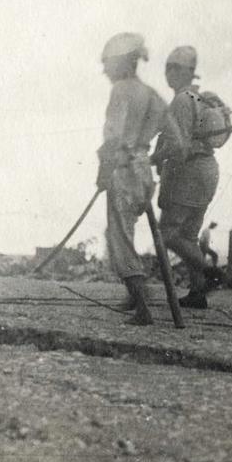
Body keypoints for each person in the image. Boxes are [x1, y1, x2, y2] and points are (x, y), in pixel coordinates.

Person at [96, 32, 176, 327]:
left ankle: (142, 306)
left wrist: (103, 172)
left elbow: (114, 137)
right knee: (124, 231)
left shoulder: (120, 91)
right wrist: (150, 156)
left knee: (118, 237)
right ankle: (135, 298)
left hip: (123, 171)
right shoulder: (151, 94)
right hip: (143, 172)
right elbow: (176, 140)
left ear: (120, 64)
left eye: (107, 64)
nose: (104, 70)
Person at [151, 46, 225, 309]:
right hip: (206, 169)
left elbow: (178, 147)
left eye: (172, 68)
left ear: (184, 72)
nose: (168, 73)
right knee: (190, 235)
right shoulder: (198, 98)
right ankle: (198, 292)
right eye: (167, 67)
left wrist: (154, 158)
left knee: (167, 234)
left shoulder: (182, 100)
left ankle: (209, 272)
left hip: (190, 172)